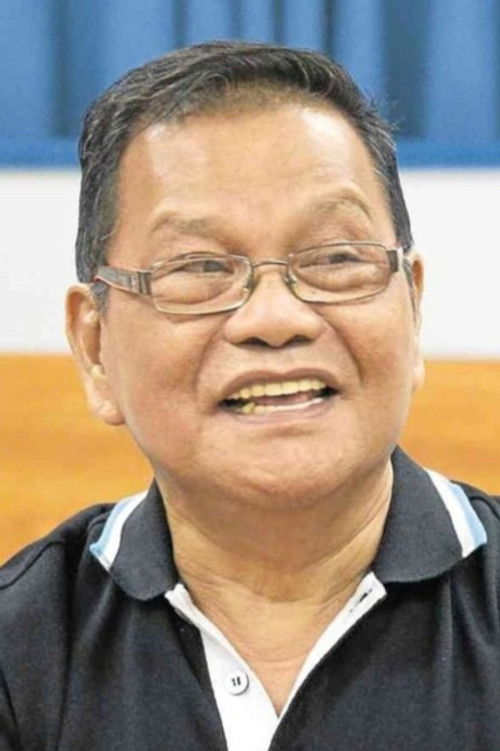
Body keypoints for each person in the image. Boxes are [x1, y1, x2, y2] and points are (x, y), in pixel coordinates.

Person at [0, 41, 498, 751]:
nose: (274, 318)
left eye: (335, 257)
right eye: (199, 267)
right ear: (96, 347)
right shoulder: (20, 653)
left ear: (412, 308)